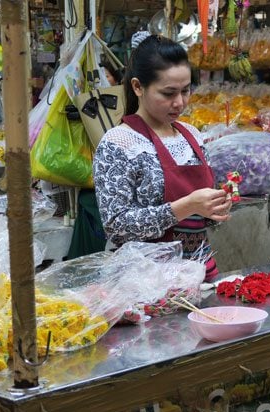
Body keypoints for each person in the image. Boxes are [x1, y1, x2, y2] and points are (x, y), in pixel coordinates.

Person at [93, 35, 231, 282]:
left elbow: (203, 220)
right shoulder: (118, 144)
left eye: (186, 91)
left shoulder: (192, 136)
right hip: (144, 283)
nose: (179, 102)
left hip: (198, 275)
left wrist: (216, 208)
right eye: (168, 93)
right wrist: (188, 205)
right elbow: (117, 226)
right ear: (138, 87)